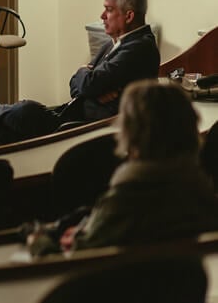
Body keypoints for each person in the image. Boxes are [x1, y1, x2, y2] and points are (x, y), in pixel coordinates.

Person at [0, 0, 161, 148]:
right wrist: (89, 82)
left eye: (108, 10)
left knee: (25, 110)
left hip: (89, 127)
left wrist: (87, 77)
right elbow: (78, 85)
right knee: (0, 127)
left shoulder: (139, 48)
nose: (102, 16)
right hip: (71, 114)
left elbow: (88, 84)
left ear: (129, 15)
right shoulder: (112, 43)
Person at [28, 80, 218, 255]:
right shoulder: (203, 195)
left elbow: (75, 257)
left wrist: (37, 240)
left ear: (132, 135)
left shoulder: (125, 202)